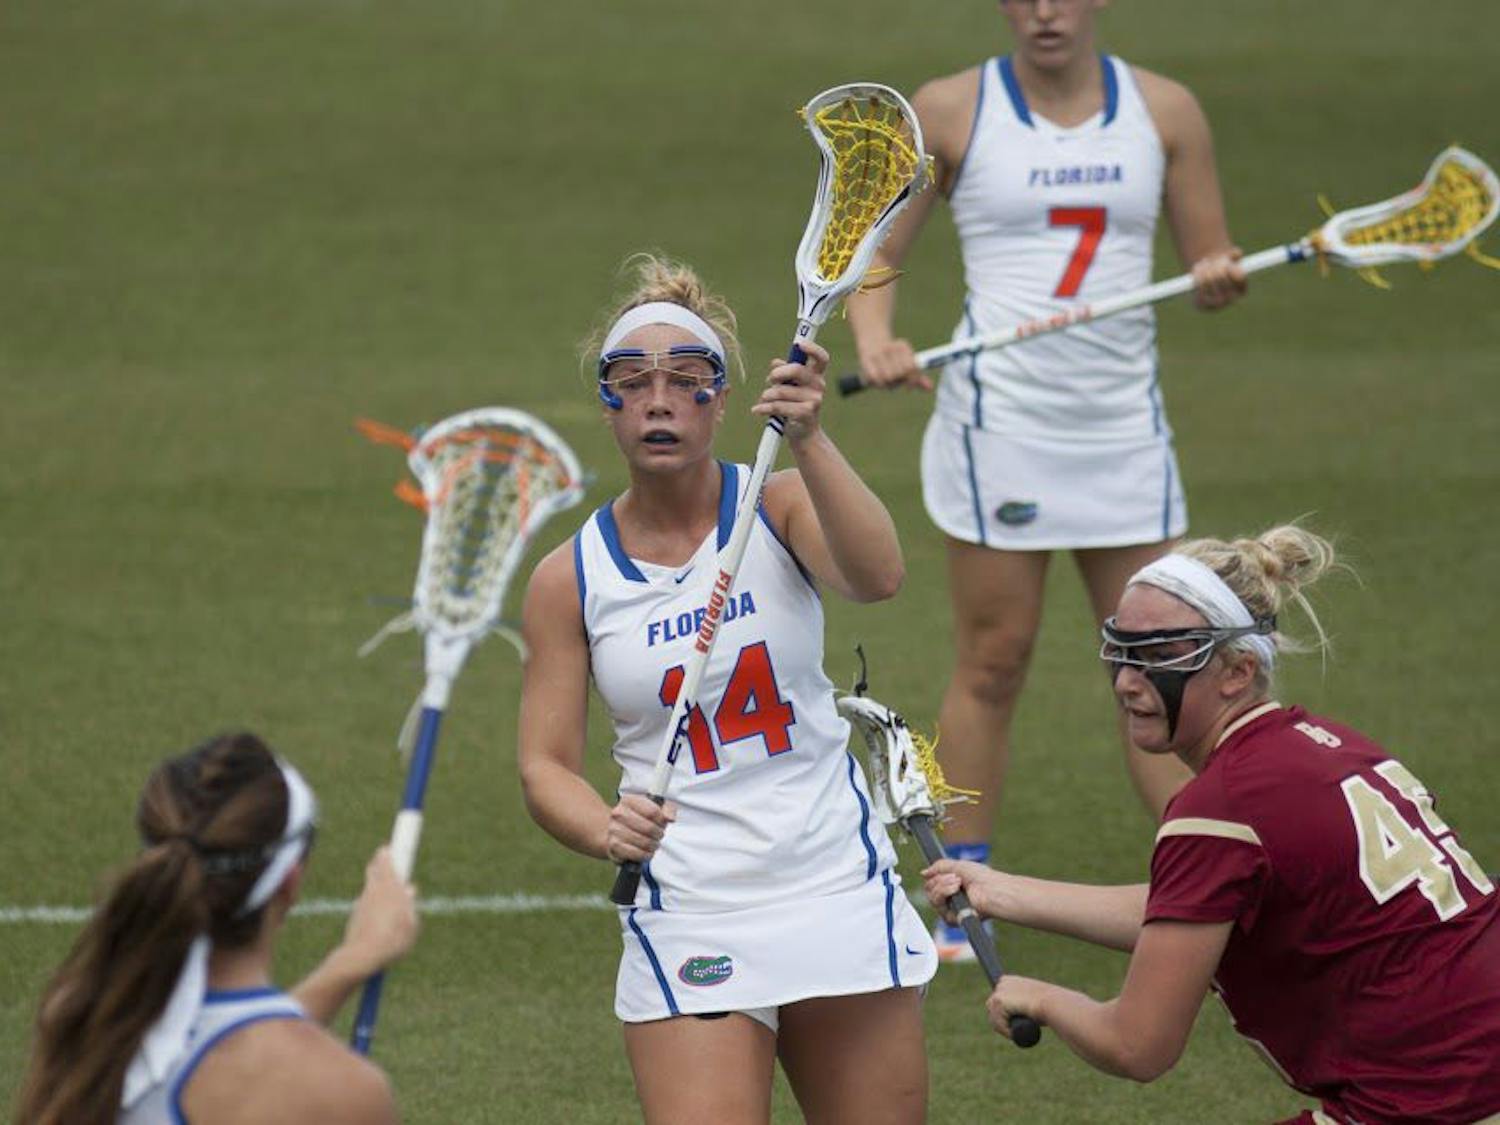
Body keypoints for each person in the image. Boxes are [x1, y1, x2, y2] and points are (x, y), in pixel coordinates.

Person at [844, 0, 1249, 961]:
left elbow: (1207, 263)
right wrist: (879, 342)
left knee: (1171, 669)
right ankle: (958, 887)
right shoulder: (949, 110)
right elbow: (879, 257)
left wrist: (1219, 275)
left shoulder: (1166, 112)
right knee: (995, 659)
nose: (1046, 12)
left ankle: (1214, 883)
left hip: (1123, 436)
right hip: (1003, 432)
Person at [518, 255, 937, 1124]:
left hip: (831, 880)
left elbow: (879, 574)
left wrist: (814, 439)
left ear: (722, 398)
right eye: (630, 381)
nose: (659, 399)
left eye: (688, 380)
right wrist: (604, 825)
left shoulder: (779, 506)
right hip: (691, 903)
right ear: (608, 403)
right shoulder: (571, 579)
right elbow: (543, 763)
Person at [923, 526, 1500, 1125]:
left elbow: (1136, 1045)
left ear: (1237, 671)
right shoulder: (1337, 748)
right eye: (1121, 651)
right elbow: (1198, 909)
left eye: (1162, 656)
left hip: (1441, 1106)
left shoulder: (1220, 808)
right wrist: (1005, 893)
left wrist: (1041, 997)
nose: (1126, 681)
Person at [15, 731, 420, 1125]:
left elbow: (224, 1048)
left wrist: (350, 963)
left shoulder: (81, 1021)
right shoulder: (343, 1091)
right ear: (290, 880)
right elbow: (258, 1066)